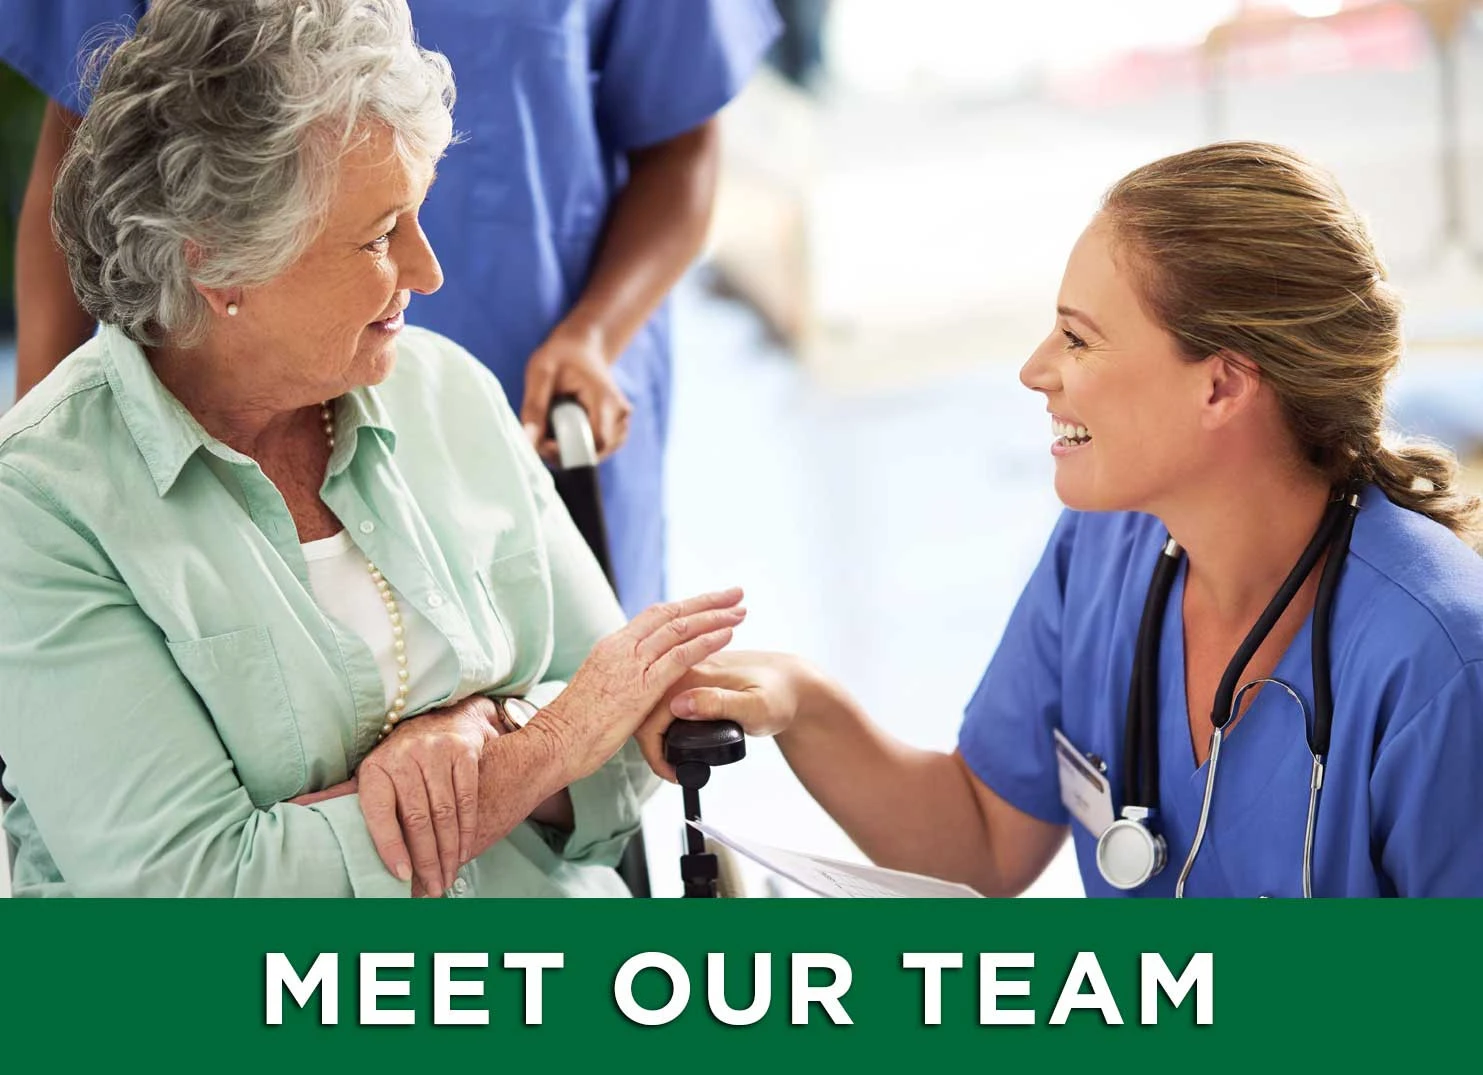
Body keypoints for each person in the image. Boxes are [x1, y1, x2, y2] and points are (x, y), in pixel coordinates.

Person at [0, 0, 746, 898]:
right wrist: (535, 752)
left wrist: (483, 726)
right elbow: (198, 897)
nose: (429, 270)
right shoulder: (40, 508)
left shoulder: (449, 392)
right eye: (379, 234)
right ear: (221, 263)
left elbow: (625, 750)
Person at [638, 142, 1483, 898]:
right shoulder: (1107, 549)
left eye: (1077, 340)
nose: (1034, 370)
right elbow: (981, 841)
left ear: (1220, 386)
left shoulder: (1437, 661)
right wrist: (804, 701)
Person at [0, 0, 781, 617]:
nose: (423, 269)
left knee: (576, 729)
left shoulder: (462, 395)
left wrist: (595, 335)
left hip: (534, 405)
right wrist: (39, 490)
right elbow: (84, 167)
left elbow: (681, 151)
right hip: (229, 420)